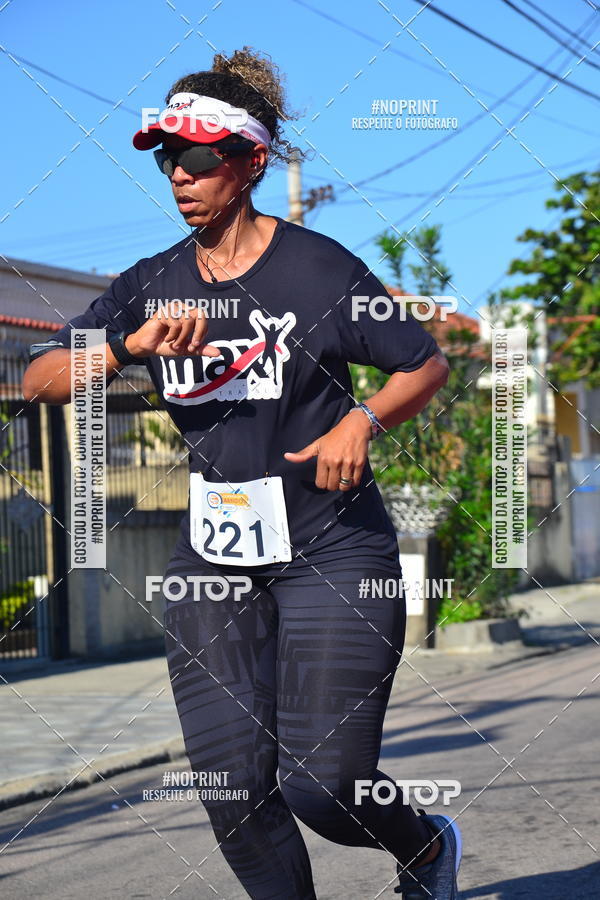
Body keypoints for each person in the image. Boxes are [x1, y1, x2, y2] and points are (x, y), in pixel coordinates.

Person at [22, 46, 462, 900]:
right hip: (213, 563)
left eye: (195, 158)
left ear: (250, 162)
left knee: (322, 783)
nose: (177, 175)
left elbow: (424, 363)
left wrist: (361, 421)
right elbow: (39, 378)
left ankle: (423, 845)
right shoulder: (146, 285)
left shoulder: (319, 270)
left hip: (333, 553)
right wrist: (125, 345)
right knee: (233, 793)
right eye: (164, 158)